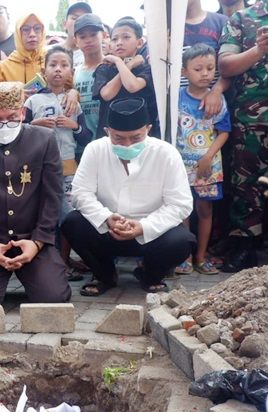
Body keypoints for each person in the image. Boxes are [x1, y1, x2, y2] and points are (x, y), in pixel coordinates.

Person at [62, 98, 195, 296]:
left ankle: (149, 275)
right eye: (118, 138)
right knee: (72, 222)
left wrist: (143, 227)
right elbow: (81, 194)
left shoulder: (167, 153)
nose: (126, 144)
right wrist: (106, 218)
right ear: (107, 131)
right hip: (107, 229)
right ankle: (105, 275)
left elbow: (180, 204)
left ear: (148, 129)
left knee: (183, 240)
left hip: (151, 234)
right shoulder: (95, 149)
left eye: (135, 138)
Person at [0, 82, 71, 307]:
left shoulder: (44, 139)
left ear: (22, 112)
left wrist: (37, 242)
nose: (4, 124)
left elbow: (52, 196)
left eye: (11, 117)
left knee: (54, 299)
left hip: (34, 239)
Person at [25, 46, 92, 282]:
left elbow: (86, 136)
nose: (58, 69)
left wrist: (75, 126)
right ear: (44, 69)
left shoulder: (74, 101)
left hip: (68, 168)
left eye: (64, 65)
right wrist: (34, 124)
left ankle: (65, 259)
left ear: (71, 71)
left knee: (68, 217)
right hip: (39, 168)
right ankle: (50, 261)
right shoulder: (33, 100)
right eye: (53, 64)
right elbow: (18, 132)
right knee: (46, 217)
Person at [217, 0, 268, 271]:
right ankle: (245, 245)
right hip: (252, 118)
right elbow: (225, 65)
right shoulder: (242, 18)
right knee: (246, 185)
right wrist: (258, 50)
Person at [175, 44, 231, 276]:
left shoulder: (217, 100)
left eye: (210, 68)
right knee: (183, 211)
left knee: (205, 210)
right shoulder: (176, 98)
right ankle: (184, 257)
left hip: (209, 168)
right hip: (180, 167)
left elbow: (224, 131)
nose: (205, 73)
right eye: (198, 69)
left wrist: (208, 157)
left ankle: (200, 256)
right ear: (184, 72)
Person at [93, 17, 159, 139]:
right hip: (111, 135)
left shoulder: (147, 69)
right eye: (114, 39)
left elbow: (132, 86)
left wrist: (122, 64)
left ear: (139, 43)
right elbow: (107, 94)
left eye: (126, 37)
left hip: (140, 134)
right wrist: (124, 63)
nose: (119, 42)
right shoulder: (104, 69)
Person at [74, 14, 105, 141]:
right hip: (80, 144)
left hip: (108, 142)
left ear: (103, 35)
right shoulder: (74, 73)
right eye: (82, 36)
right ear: (76, 41)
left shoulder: (114, 67)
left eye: (93, 34)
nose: (88, 40)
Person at [0, 12, 46, 85]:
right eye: (26, 29)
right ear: (18, 33)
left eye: (37, 28)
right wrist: (18, 93)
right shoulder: (4, 68)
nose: (32, 34)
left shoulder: (53, 61)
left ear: (42, 32)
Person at [62, 1, 93, 68]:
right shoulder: (48, 52)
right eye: (74, 18)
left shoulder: (93, 55)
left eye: (84, 18)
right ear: (64, 24)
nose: (79, 22)